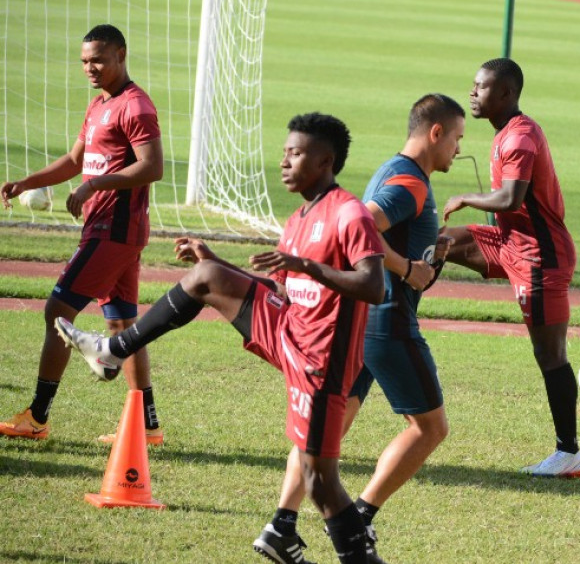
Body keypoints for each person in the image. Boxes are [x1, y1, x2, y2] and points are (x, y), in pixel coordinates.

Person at [56, 112, 388, 564]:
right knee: (207, 275)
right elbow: (281, 291)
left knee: (318, 479)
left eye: (296, 153)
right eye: (284, 152)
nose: (285, 161)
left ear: (326, 160)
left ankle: (355, 557)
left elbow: (374, 286)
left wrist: (307, 266)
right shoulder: (297, 220)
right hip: (290, 332)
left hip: (322, 363)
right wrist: (222, 265)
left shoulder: (348, 214)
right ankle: (113, 350)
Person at [0, 24, 165, 445]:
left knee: (57, 310)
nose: (90, 68)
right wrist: (25, 181)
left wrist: (95, 185)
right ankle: (146, 427)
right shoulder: (99, 105)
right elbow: (76, 159)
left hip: (115, 230)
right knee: (125, 325)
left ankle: (37, 417)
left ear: (121, 55)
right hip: (111, 230)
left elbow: (152, 167)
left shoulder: (136, 106)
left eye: (99, 60)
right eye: (85, 61)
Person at [441, 58, 580, 478]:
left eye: (480, 87)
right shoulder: (508, 132)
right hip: (509, 244)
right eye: (473, 85)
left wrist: (466, 197)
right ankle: (397, 323)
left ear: (505, 93)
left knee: (550, 356)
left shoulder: (520, 138)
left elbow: (510, 200)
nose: (472, 93)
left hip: (540, 258)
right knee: (438, 244)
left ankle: (568, 453)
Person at [341, 93, 464, 553]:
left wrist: (428, 261)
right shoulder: (411, 183)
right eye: (456, 138)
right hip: (387, 322)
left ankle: (283, 519)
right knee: (430, 429)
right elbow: (361, 225)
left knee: (334, 422)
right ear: (435, 133)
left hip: (365, 318)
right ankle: (360, 516)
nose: (457, 148)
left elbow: (411, 268)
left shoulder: (392, 170)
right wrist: (404, 267)